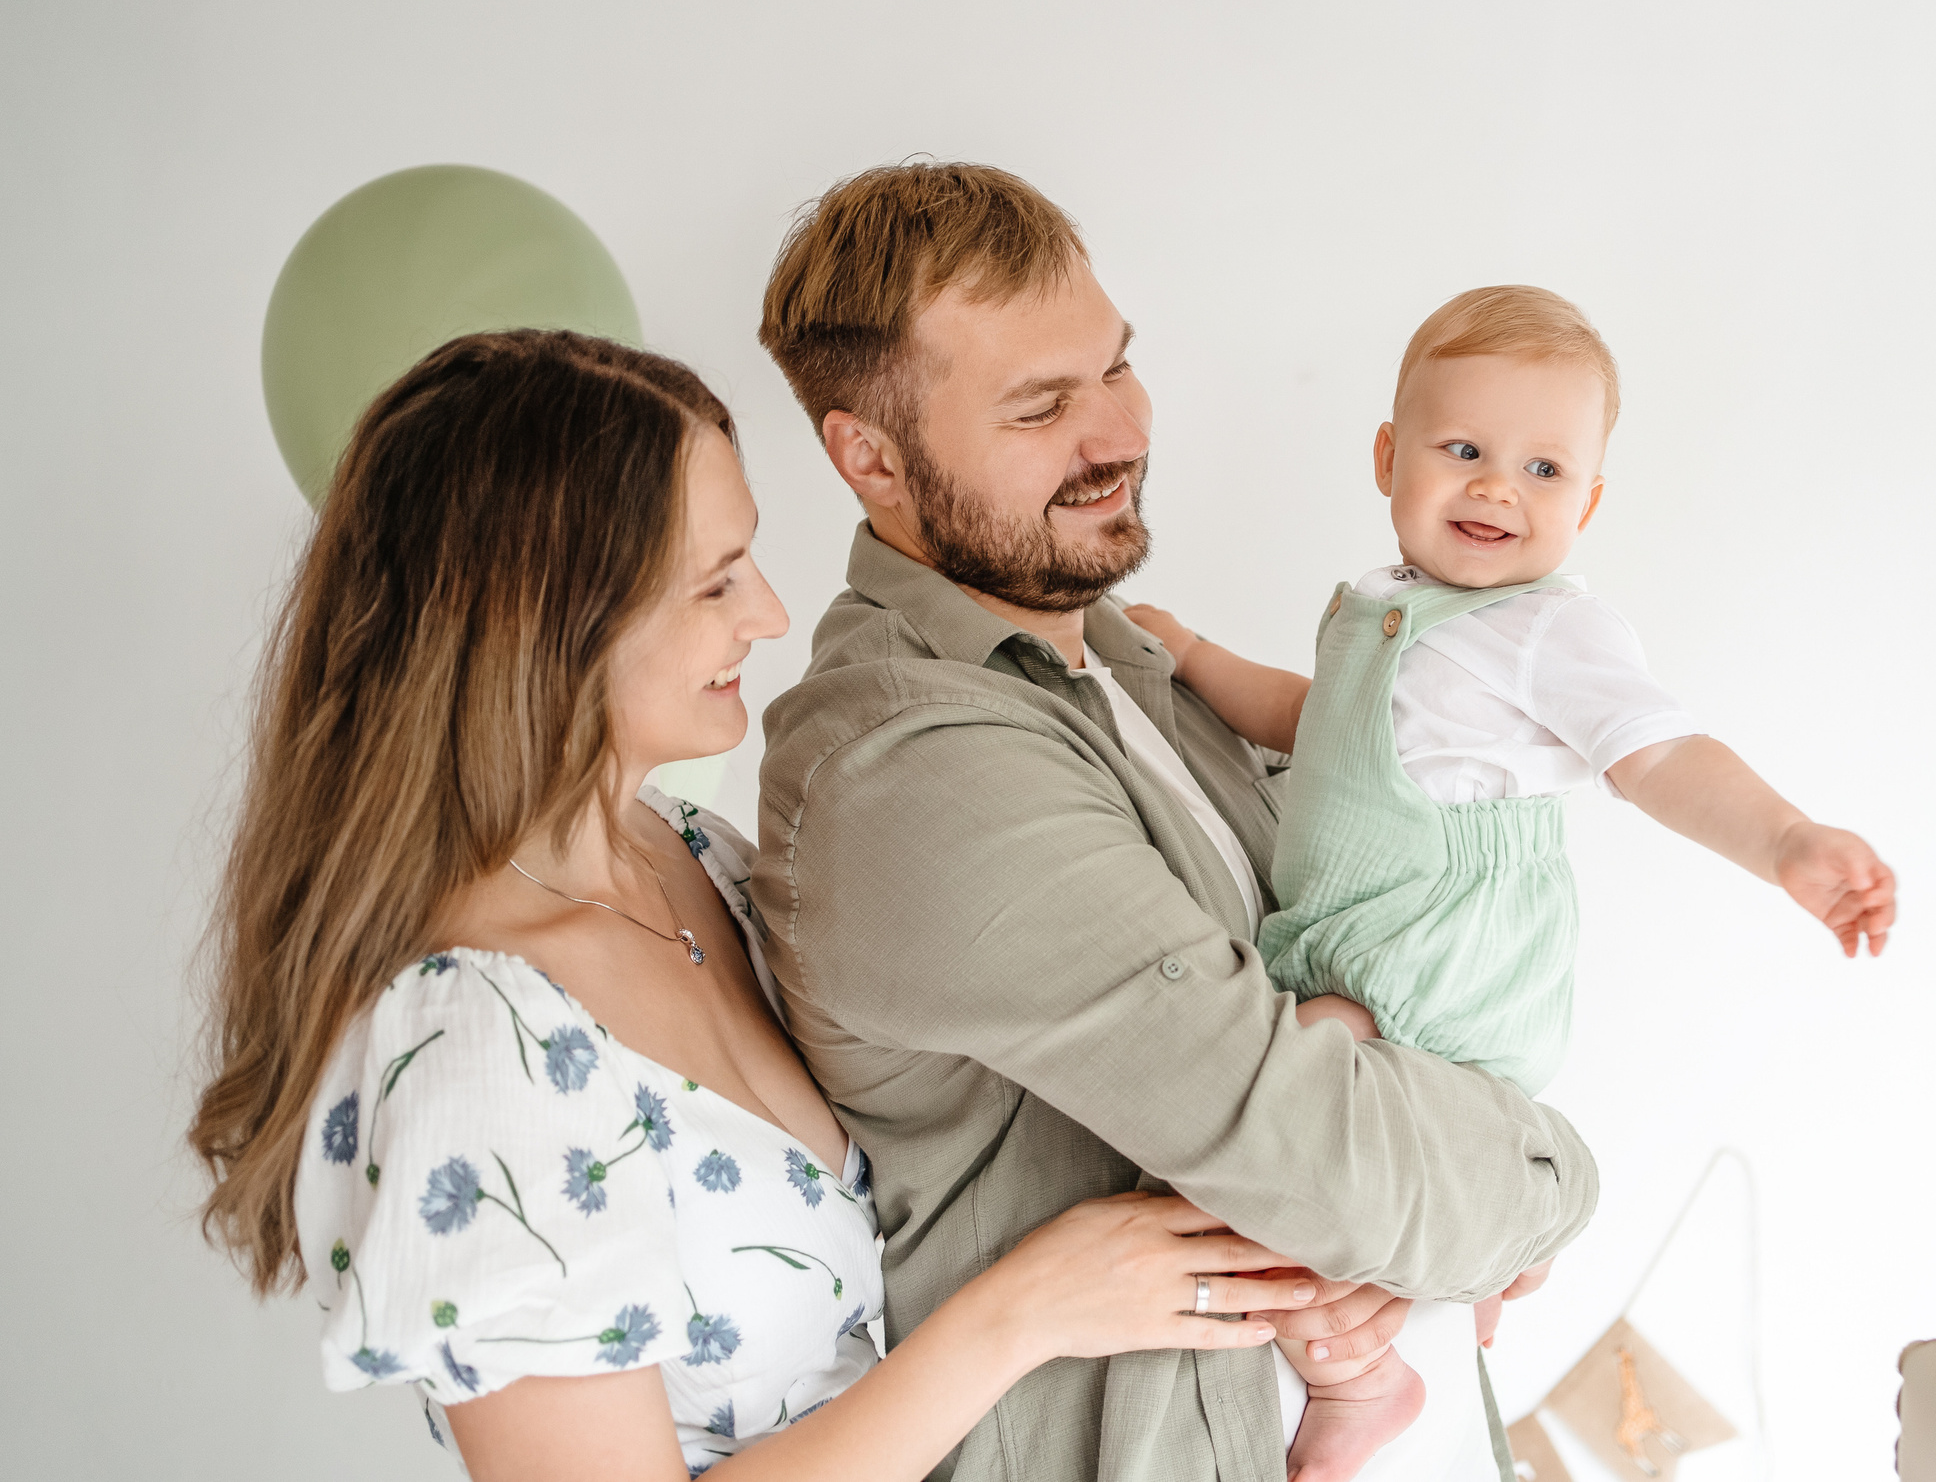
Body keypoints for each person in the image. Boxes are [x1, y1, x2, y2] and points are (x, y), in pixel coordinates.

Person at [187, 330, 1311, 1482]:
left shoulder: (693, 858)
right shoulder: (475, 1041)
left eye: (753, 561)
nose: (769, 614)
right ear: (543, 623)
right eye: (714, 582)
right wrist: (1022, 1314)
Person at [750, 164, 1599, 1482]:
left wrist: (1415, 1206)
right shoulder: (905, 757)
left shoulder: (1135, 658)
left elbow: (1367, 1008)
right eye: (1040, 405)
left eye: (1115, 369)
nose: (1116, 434)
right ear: (871, 454)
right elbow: (1308, 1142)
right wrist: (1547, 1185)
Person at [1126, 285, 1900, 1474]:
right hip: (1357, 950)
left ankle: (1363, 1378)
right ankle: (1467, 1278)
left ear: (1587, 503)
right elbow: (1316, 723)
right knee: (1286, 1097)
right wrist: (1190, 657)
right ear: (1389, 458)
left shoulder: (1547, 633)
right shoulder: (1382, 609)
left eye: (1544, 470)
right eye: (1464, 451)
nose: (1498, 488)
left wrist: (1786, 840)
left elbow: (1657, 756)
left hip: (1437, 986)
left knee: (1282, 1099)